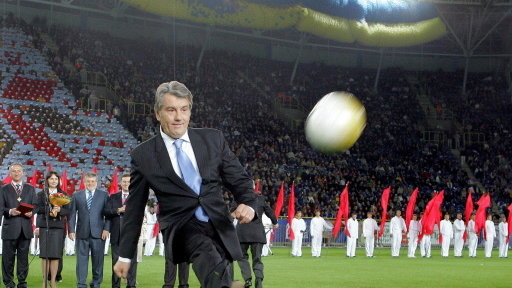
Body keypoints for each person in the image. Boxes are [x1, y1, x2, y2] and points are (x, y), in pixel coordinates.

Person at [114, 81, 257, 288]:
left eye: (184, 109)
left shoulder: (213, 139)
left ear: (190, 111)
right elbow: (134, 209)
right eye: (171, 110)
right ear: (157, 113)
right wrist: (125, 256)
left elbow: (239, 179)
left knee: (218, 267)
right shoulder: (143, 155)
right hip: (181, 228)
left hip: (219, 226)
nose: (179, 117)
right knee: (205, 250)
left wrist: (248, 203)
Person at [68, 172, 110, 288]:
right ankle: (81, 284)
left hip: (99, 234)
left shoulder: (104, 195)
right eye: (88, 181)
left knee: (98, 261)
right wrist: (71, 230)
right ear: (84, 182)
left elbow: (108, 215)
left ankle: (96, 283)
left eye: (92, 181)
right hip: (82, 233)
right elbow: (71, 215)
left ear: (96, 183)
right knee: (81, 261)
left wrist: (106, 229)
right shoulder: (77, 195)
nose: (90, 183)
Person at [0, 163, 37, 288]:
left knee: (23, 259)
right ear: (10, 174)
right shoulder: (3, 189)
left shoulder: (30, 188)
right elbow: (0, 208)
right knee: (7, 259)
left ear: (23, 173)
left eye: (19, 171)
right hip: (10, 228)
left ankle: (22, 282)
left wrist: (32, 212)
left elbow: (36, 205)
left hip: (25, 229)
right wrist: (10, 211)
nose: (16, 173)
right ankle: (8, 282)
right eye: (14, 171)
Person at [36, 172, 70, 288]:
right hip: (45, 226)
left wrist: (59, 210)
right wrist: (50, 208)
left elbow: (68, 211)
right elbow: (37, 209)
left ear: (59, 181)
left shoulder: (64, 194)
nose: (54, 181)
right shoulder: (41, 194)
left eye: (56, 179)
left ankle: (53, 280)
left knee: (55, 255)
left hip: (58, 227)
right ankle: (44, 281)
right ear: (47, 180)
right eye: (51, 179)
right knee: (45, 255)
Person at [236, 192, 277, 288]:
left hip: (242, 232)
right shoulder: (260, 198)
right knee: (257, 259)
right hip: (257, 233)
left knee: (242, 258)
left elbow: (232, 211)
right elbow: (269, 211)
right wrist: (275, 222)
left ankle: (247, 279)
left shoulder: (238, 197)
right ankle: (258, 280)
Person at [104, 174, 138, 288]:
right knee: (115, 262)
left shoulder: (136, 197)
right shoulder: (113, 196)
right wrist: (119, 210)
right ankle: (115, 285)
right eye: (124, 182)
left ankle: (131, 285)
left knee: (132, 262)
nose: (126, 184)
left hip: (131, 235)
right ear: (120, 183)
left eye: (128, 182)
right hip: (116, 235)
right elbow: (107, 211)